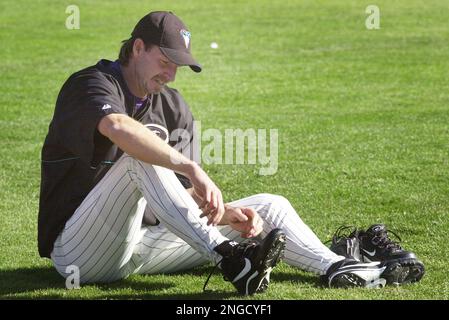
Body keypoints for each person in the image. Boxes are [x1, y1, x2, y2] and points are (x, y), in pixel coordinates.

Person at [38, 11, 418, 296]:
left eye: (179, 66)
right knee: (139, 157)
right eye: (165, 61)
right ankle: (232, 260)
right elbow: (119, 129)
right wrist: (187, 164)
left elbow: (172, 196)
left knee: (268, 205)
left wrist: (223, 214)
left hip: (143, 248)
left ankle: (337, 266)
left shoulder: (172, 106)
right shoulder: (92, 83)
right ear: (137, 48)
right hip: (79, 252)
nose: (171, 74)